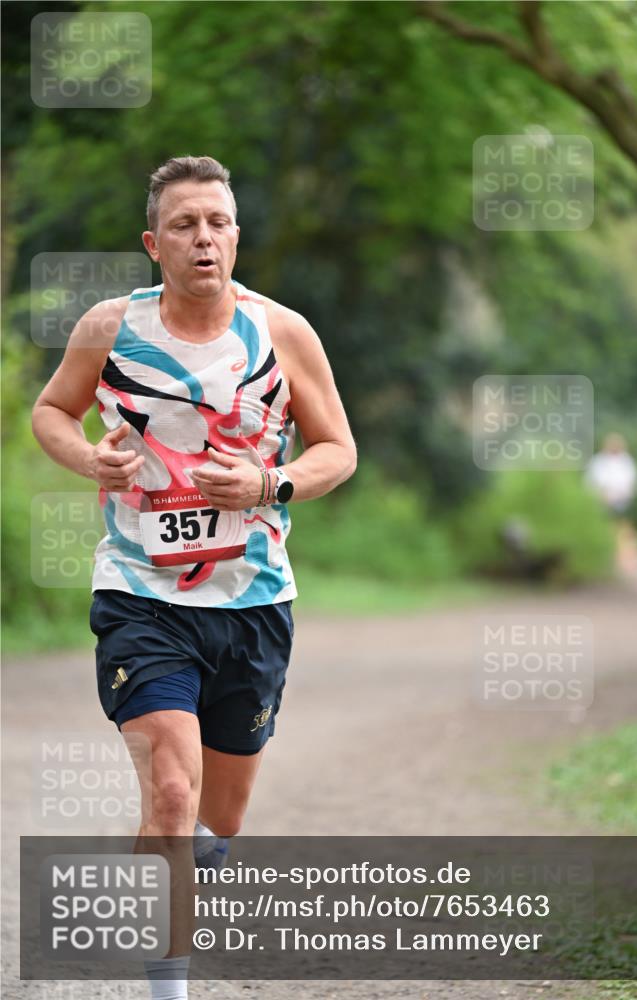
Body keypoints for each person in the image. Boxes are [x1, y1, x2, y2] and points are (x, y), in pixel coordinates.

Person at [31, 155, 357, 997]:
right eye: (184, 224)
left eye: (216, 222)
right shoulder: (110, 328)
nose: (203, 238)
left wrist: (266, 483)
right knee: (173, 795)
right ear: (153, 243)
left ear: (237, 236)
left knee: (218, 820)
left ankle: (173, 866)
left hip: (252, 602)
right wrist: (89, 461)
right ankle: (169, 985)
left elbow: (336, 451)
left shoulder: (284, 333)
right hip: (142, 594)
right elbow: (51, 411)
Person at [585, 432, 637, 573]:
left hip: (623, 501)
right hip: (602, 501)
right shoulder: (598, 461)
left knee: (624, 531)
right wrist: (602, 495)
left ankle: (626, 559)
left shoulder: (627, 461)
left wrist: (624, 494)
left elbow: (634, 483)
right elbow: (590, 483)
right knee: (606, 529)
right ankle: (603, 558)